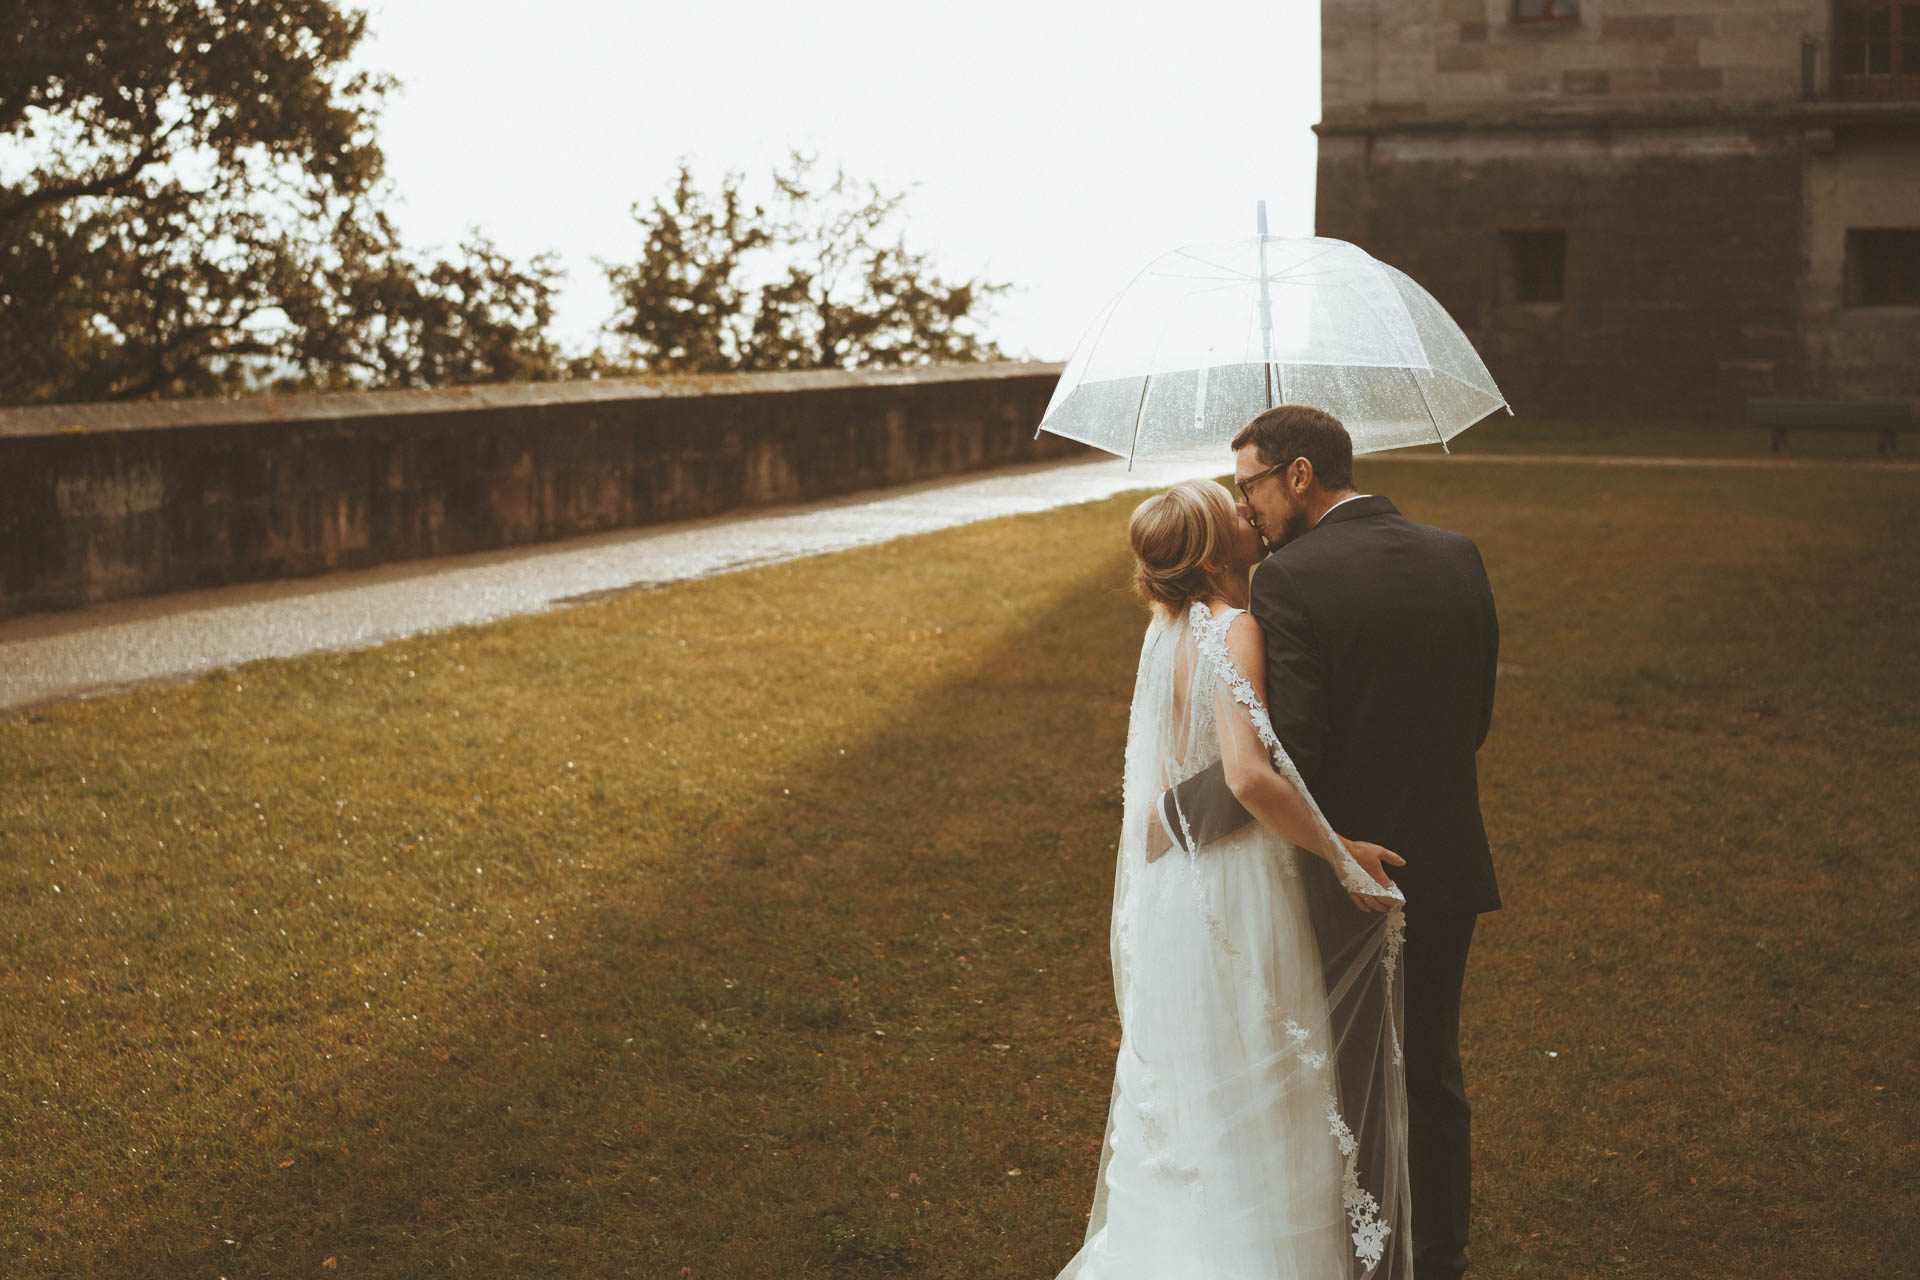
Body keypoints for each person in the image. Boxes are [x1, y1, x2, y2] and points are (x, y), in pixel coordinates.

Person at [1147, 405, 1501, 1280]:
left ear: (1299, 475)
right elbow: (1477, 716)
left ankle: (1371, 1254)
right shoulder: (1457, 553)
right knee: (1430, 1065)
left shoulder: (1288, 579)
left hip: (1344, 864)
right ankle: (1442, 1253)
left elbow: (1285, 748)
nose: (1247, 509)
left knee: (1355, 1073)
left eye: (1250, 486)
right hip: (1447, 852)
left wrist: (1170, 819)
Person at [1057, 477, 1413, 1280]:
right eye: (1234, 511)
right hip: (1238, 890)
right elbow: (1249, 780)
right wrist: (1338, 848)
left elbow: (1164, 798)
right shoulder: (1236, 627)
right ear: (1217, 551)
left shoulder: (1168, 631)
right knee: (1265, 1084)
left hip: (1180, 893)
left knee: (1200, 1099)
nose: (1249, 515)